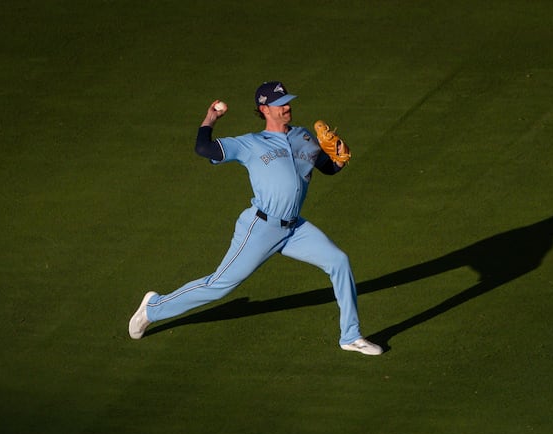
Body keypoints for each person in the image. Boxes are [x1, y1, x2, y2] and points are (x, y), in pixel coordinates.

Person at [128, 81, 383, 356]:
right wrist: (210, 118)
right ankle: (153, 307)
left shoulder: (303, 136)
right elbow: (203, 148)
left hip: (294, 229)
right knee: (218, 286)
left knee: (339, 261)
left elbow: (327, 167)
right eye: (280, 104)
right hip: (261, 228)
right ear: (264, 109)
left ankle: (351, 335)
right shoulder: (250, 143)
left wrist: (340, 159)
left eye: (288, 101)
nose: (287, 107)